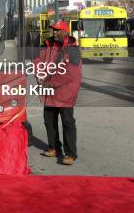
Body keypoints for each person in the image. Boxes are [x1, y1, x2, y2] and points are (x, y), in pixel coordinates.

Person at [34, 20, 82, 166]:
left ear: (65, 32)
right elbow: (37, 61)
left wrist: (48, 82)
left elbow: (70, 74)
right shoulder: (46, 46)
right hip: (49, 92)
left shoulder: (72, 49)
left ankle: (70, 153)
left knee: (67, 122)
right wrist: (39, 74)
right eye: (53, 30)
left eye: (58, 30)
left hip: (65, 92)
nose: (55, 32)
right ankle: (54, 147)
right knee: (49, 121)